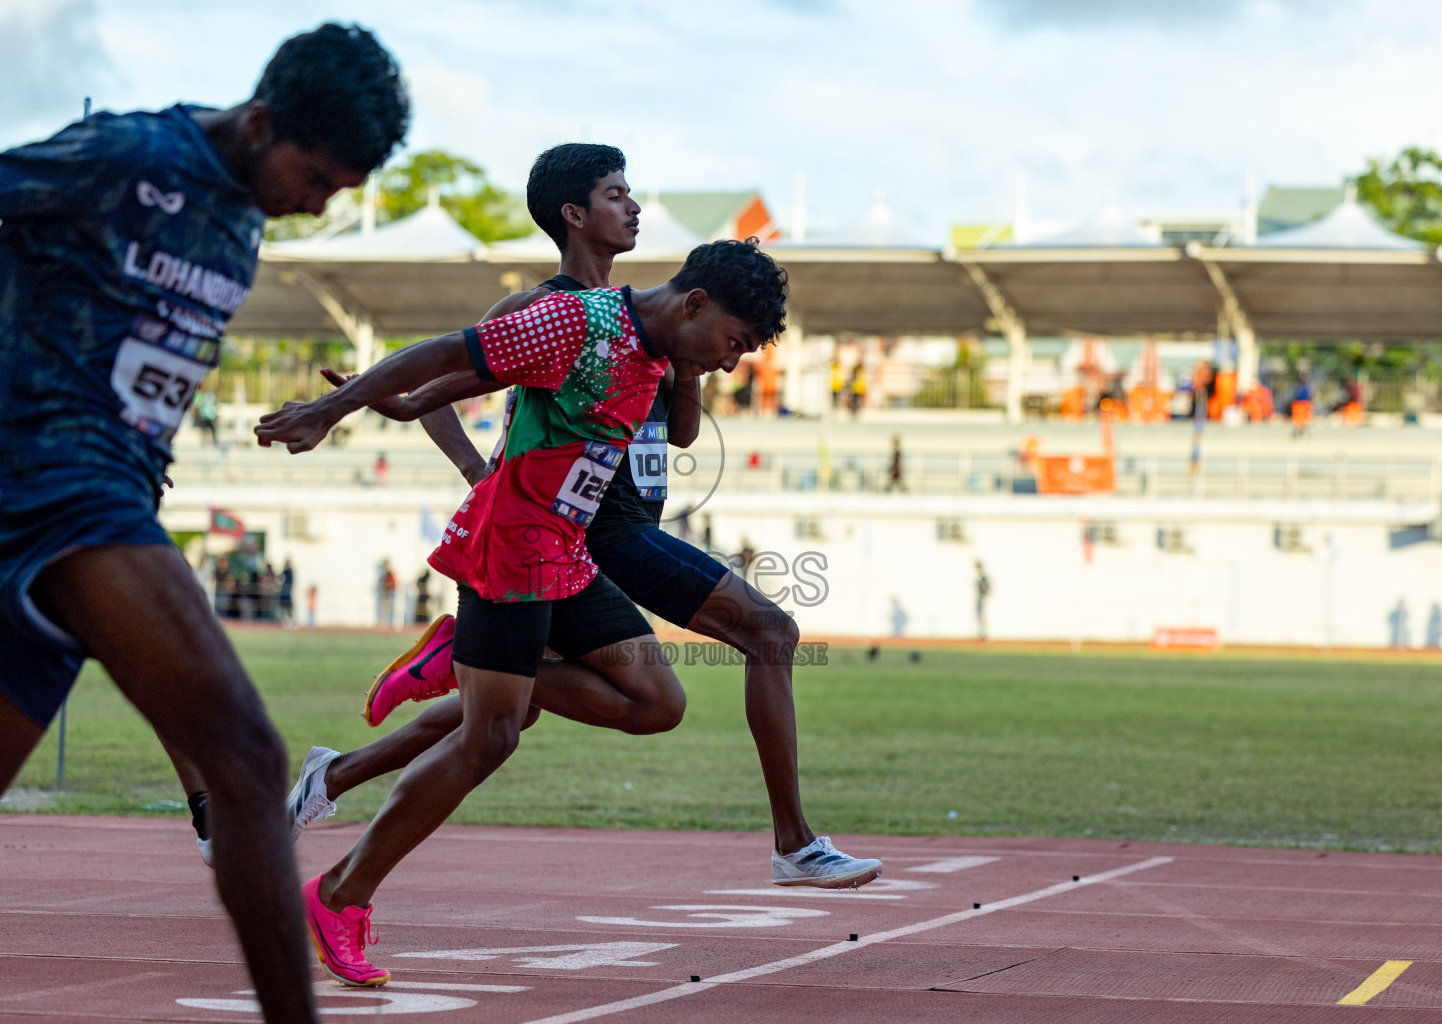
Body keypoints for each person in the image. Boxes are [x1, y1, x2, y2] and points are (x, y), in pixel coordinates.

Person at [0, 22, 410, 1023]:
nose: (317, 205)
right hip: (64, 490)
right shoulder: (127, 156)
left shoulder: (247, 218)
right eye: (315, 178)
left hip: (100, 496)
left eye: (340, 194)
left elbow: (53, 306)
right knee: (249, 760)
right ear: (262, 122)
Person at [283, 143, 878, 927]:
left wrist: (687, 366)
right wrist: (456, 462)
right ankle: (794, 842)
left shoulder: (649, 325)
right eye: (615, 194)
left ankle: (339, 772)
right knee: (763, 632)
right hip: (584, 529)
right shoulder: (560, 310)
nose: (632, 206)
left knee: (505, 712)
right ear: (574, 214)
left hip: (593, 528)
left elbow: (684, 434)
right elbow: (444, 379)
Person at [256, 232, 792, 987]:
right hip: (510, 547)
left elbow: (674, 428)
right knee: (491, 738)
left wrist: (691, 365)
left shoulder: (658, 349)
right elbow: (452, 351)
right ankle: (340, 893)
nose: (731, 361)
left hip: (565, 553)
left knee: (657, 701)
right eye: (732, 343)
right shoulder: (577, 322)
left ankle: (461, 661)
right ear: (695, 303)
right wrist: (333, 408)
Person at [974, 560, 992, 642]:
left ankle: (983, 635)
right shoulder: (980, 578)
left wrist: (984, 595)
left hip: (982, 599)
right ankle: (981, 634)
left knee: (982, 617)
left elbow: (987, 588)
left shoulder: (984, 578)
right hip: (979, 599)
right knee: (979, 617)